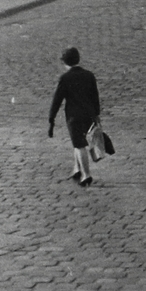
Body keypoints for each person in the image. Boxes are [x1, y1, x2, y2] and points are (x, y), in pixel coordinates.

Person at [47, 46, 100, 186]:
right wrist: (97, 115)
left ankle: (86, 174)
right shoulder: (89, 75)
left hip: (73, 117)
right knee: (78, 141)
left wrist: (51, 119)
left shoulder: (65, 78)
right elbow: (95, 97)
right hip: (89, 114)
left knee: (79, 145)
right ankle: (77, 169)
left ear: (65, 62)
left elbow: (57, 100)